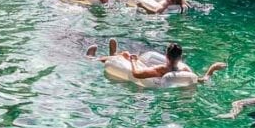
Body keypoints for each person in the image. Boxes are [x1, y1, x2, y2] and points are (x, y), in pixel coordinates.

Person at [87, 39, 226, 82]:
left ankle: (93, 58)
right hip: (163, 79)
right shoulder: (185, 69)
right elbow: (201, 80)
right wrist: (212, 68)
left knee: (124, 55)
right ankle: (113, 53)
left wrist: (133, 60)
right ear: (180, 57)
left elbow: (136, 74)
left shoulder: (161, 69)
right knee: (124, 55)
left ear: (166, 55)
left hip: (149, 78)